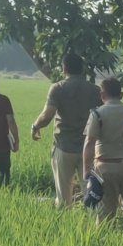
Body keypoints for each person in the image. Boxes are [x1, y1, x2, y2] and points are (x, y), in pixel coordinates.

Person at [30, 54, 101, 208]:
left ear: (64, 69)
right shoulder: (95, 90)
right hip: (88, 148)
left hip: (63, 146)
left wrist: (35, 127)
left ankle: (64, 223)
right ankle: (95, 226)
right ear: (82, 69)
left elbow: (46, 116)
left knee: (63, 195)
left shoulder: (58, 88)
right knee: (90, 192)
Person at [83, 77, 123, 233]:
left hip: (105, 167)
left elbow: (89, 143)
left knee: (106, 211)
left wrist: (87, 170)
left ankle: (102, 242)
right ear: (121, 94)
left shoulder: (97, 114)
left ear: (102, 95)